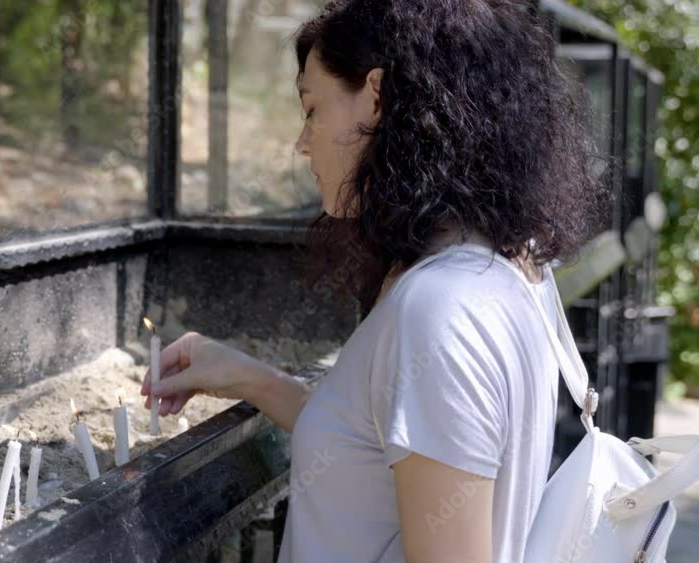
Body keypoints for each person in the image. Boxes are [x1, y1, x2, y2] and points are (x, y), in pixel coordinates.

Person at [141, 1, 608, 561]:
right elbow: (372, 447)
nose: (302, 142)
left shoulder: (440, 311)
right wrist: (251, 378)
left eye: (313, 109)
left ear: (378, 96)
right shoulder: (504, 267)